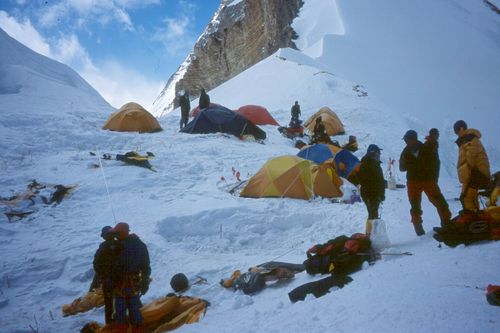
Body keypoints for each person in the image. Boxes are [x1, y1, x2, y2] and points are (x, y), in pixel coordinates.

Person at [399, 130, 451, 236]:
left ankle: (446, 224)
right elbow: (401, 168)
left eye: (407, 140)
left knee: (439, 202)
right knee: (415, 206)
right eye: (406, 140)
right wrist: (405, 162)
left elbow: (435, 164)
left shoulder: (425, 149)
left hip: (427, 181)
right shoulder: (407, 152)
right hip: (415, 182)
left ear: (413, 139)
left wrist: (434, 179)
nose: (406, 142)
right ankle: (419, 231)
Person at [110, 222, 151, 333]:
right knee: (134, 312)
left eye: (117, 234)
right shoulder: (140, 245)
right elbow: (146, 267)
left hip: (121, 286)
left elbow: (111, 268)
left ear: (122, 233)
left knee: (121, 313)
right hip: (133, 285)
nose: (115, 236)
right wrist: (145, 282)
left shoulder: (116, 247)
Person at [453, 120, 491, 212]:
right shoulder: (468, 139)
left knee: (465, 197)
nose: (456, 134)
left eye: (456, 131)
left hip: (476, 172)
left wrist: (465, 173)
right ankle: (475, 216)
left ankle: (472, 218)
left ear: (461, 129)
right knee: (470, 196)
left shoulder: (468, 139)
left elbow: (470, 156)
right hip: (476, 172)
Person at [93, 226, 119, 325]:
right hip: (121, 279)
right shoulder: (120, 245)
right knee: (123, 301)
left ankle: (110, 324)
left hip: (108, 280)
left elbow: (96, 264)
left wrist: (103, 275)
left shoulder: (102, 247)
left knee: (109, 304)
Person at [358, 144, 385, 235]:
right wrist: (380, 194)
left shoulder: (368, 162)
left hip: (370, 193)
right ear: (374, 153)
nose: (379, 155)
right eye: (378, 153)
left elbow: (377, 180)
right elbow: (376, 180)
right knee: (373, 215)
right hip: (371, 194)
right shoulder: (370, 164)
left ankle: (370, 235)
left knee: (373, 215)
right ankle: (369, 236)